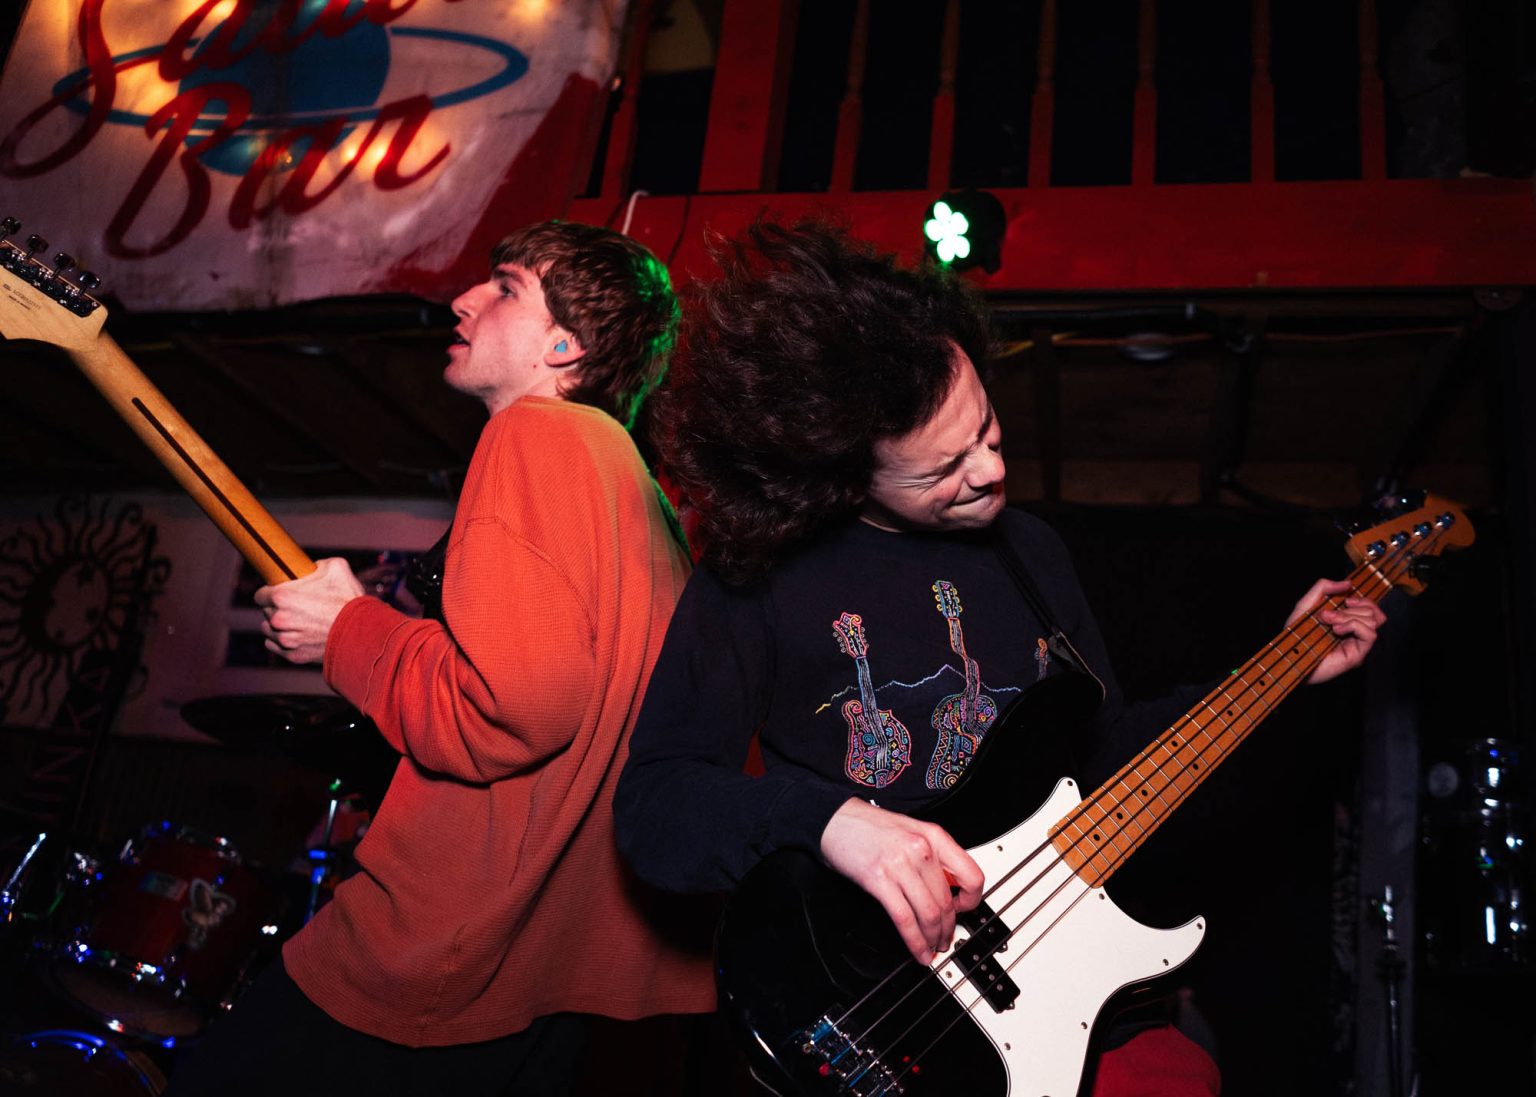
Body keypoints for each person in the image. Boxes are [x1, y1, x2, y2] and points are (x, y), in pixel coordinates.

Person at [612, 222, 1386, 1094]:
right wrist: (831, 822)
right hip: (863, 998)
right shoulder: (763, 576)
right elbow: (656, 803)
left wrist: (1283, 666)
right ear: (844, 472)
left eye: (987, 428)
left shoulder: (1033, 552)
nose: (988, 468)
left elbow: (1102, 753)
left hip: (1056, 993)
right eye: (943, 467)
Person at [165, 221, 714, 1097]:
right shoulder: (641, 496)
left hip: (439, 960)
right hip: (550, 984)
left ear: (564, 344)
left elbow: (512, 706)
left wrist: (348, 629)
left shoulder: (534, 432)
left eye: (504, 287)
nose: (462, 298)